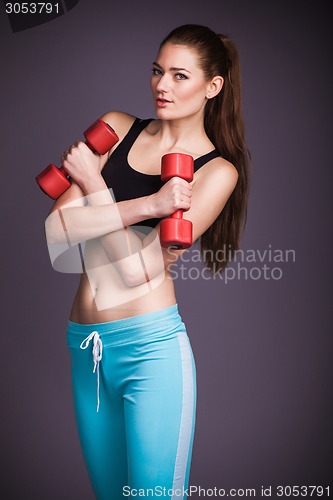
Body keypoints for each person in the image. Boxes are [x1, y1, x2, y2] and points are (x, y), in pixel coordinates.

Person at [44, 24, 250, 500]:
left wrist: (95, 189)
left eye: (180, 76)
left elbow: (137, 272)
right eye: (158, 71)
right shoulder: (116, 127)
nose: (161, 85)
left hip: (149, 350)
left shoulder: (217, 172)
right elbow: (57, 228)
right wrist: (149, 206)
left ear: (212, 87)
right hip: (85, 348)